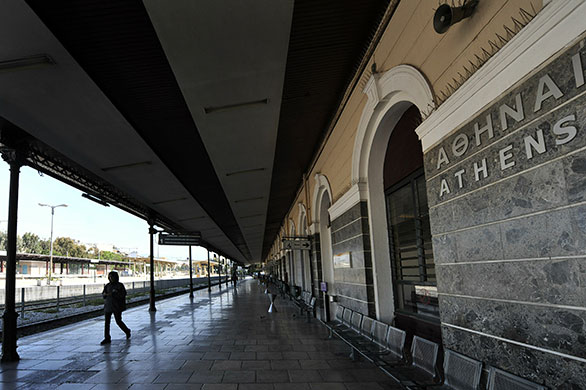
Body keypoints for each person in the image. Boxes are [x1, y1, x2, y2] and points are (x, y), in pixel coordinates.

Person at [101, 271, 131, 345]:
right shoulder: (107, 286)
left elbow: (123, 294)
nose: (111, 278)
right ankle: (107, 338)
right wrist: (105, 294)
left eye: (112, 277)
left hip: (116, 306)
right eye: (110, 277)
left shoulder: (120, 285)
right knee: (107, 323)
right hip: (108, 306)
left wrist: (115, 294)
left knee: (118, 321)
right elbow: (103, 294)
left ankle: (127, 331)